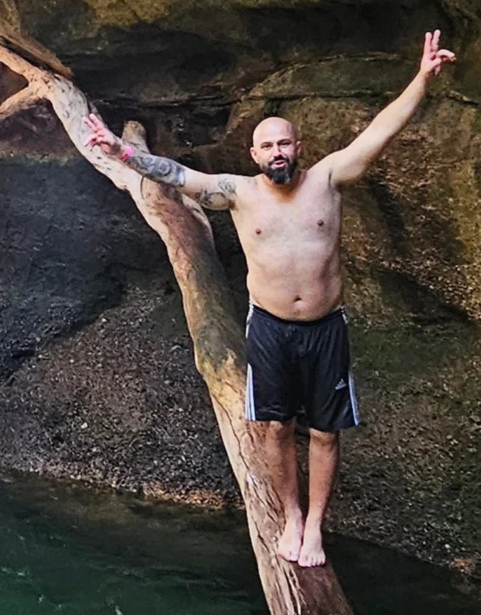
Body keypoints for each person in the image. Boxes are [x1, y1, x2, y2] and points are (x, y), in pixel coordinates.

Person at [83, 32, 455, 567]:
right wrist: (121, 151)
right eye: (267, 146)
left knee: (326, 434)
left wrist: (421, 78)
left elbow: (381, 132)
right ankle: (291, 516)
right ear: (253, 154)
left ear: (298, 147)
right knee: (277, 427)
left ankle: (317, 527)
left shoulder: (328, 179)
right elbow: (176, 175)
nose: (278, 153)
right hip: (270, 329)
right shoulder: (237, 192)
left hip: (326, 328)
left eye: (285, 143)